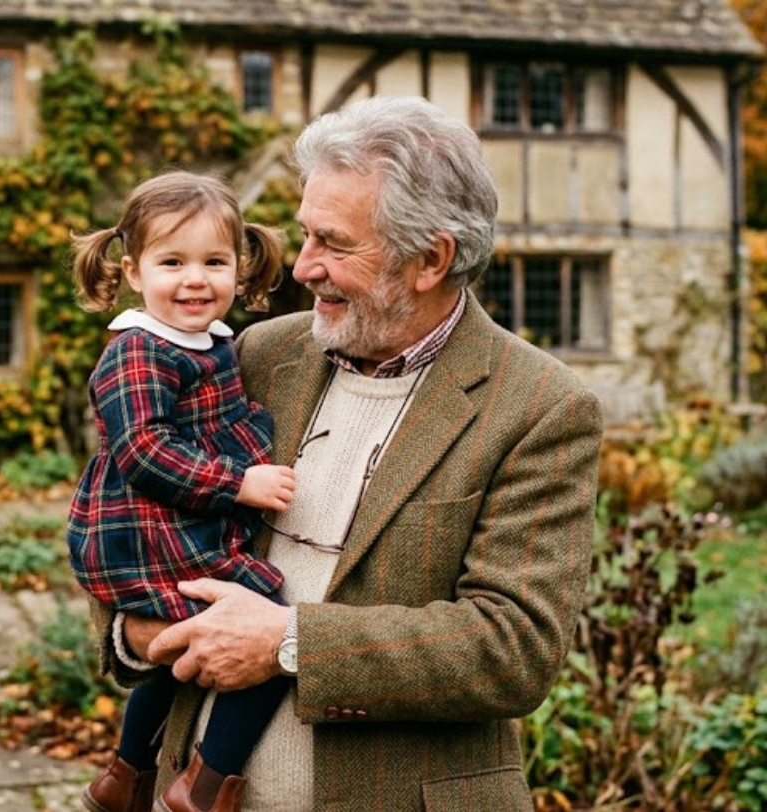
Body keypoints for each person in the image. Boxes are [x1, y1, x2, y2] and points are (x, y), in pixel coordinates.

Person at [89, 96, 604, 812]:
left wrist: (287, 642)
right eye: (304, 235)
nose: (302, 268)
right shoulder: (259, 355)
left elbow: (512, 647)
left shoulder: (538, 406)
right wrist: (132, 627)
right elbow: (140, 506)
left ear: (430, 259)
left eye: (332, 243)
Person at [65, 171, 298, 812]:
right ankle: (204, 785)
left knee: (184, 648)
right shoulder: (137, 351)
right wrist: (238, 483)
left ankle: (123, 776)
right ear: (135, 272)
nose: (196, 279)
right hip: (146, 528)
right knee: (270, 628)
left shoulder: (211, 343)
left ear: (241, 266)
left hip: (176, 523)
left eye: (214, 261)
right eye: (173, 262)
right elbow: (142, 450)